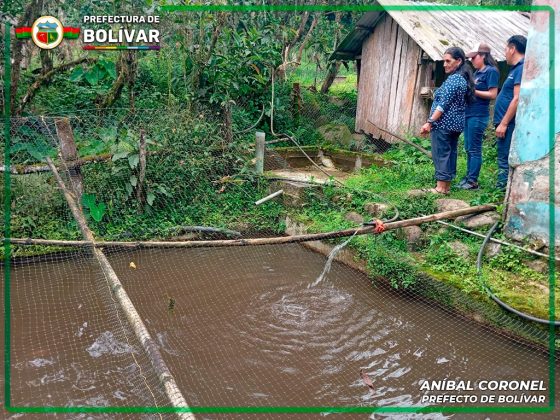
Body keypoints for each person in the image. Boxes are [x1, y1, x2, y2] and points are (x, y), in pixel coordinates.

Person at [420, 47, 475, 194]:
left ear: (459, 61)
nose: (444, 64)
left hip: (444, 124)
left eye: (448, 61)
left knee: (441, 153)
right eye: (444, 61)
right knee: (450, 153)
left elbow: (442, 105)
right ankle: (446, 186)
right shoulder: (462, 79)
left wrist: (429, 122)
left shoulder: (454, 79)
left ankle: (440, 187)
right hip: (455, 125)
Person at [457, 42, 500, 190]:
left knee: (475, 149)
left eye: (474, 57)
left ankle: (473, 181)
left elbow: (493, 94)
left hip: (479, 115)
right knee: (468, 148)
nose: (472, 60)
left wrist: (473, 91)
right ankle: (468, 177)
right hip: (469, 114)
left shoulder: (491, 71)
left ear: (483, 56)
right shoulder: (476, 73)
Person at [493, 35, 526, 191]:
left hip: (509, 124)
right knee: (502, 156)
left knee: (504, 158)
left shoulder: (521, 69)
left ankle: (501, 193)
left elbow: (517, 98)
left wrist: (504, 123)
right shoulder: (516, 69)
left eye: (506, 49)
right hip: (505, 123)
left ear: (513, 49)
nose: (505, 52)